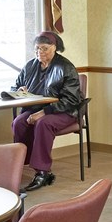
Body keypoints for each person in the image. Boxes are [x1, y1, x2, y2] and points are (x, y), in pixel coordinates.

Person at [12, 31, 82, 191]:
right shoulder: (30, 66)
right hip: (36, 109)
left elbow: (71, 101)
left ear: (55, 47)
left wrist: (43, 113)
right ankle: (22, 162)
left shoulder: (66, 67)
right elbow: (14, 87)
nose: (40, 52)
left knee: (43, 123)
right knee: (19, 122)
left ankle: (43, 172)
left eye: (44, 48)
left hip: (65, 112)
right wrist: (19, 90)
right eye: (37, 48)